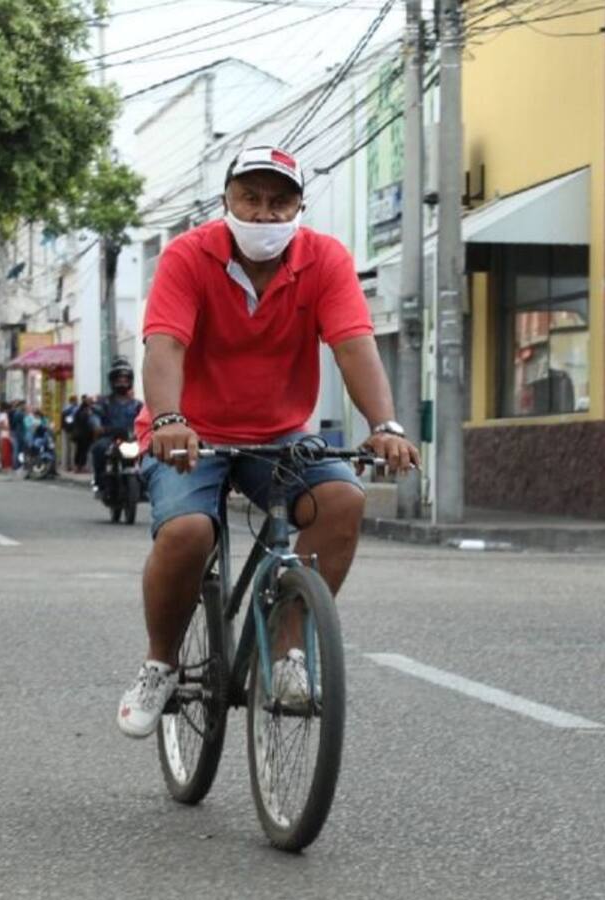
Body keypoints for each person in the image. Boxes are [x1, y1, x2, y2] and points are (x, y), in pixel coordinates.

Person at [116, 144, 419, 738]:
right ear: (227, 202)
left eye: (279, 202)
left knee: (343, 500)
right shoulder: (187, 256)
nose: (263, 214)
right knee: (188, 531)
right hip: (188, 433)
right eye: (249, 199)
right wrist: (170, 417)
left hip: (277, 435)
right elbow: (165, 346)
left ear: (299, 207)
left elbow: (354, 344)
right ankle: (160, 663)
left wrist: (385, 425)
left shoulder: (324, 259)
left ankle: (288, 655)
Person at [90, 358, 144, 498]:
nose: (122, 382)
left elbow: (145, 419)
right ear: (112, 381)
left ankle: (145, 484)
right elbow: (95, 415)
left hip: (131, 439)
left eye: (125, 379)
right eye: (119, 379)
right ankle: (100, 482)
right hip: (110, 438)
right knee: (99, 449)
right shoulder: (104, 402)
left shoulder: (137, 405)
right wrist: (97, 426)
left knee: (148, 452)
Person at [72, 395, 95, 473]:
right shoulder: (84, 411)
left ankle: (79, 466)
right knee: (82, 451)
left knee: (81, 451)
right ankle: (79, 466)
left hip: (82, 434)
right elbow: (85, 421)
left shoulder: (80, 410)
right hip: (83, 434)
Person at [61, 394, 79, 471]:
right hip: (70, 431)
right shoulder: (71, 410)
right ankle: (71, 465)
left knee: (66, 449)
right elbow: (69, 421)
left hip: (65, 430)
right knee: (72, 449)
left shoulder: (65, 409)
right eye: (76, 400)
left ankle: (66, 466)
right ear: (73, 401)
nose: (77, 402)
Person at [8, 399, 26, 471]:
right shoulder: (19, 413)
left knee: (19, 449)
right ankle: (16, 465)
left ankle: (18, 464)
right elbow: (15, 423)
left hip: (17, 432)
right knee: (17, 449)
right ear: (21, 405)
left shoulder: (18, 413)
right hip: (17, 433)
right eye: (24, 405)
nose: (25, 406)